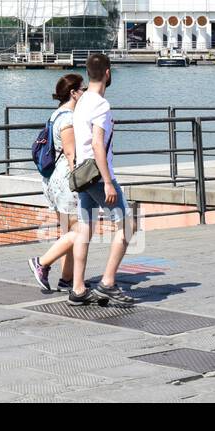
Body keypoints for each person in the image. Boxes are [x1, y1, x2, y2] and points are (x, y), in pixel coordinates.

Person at [68, 53, 135, 306]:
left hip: (82, 175)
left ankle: (78, 288)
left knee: (85, 229)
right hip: (97, 175)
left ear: (88, 73)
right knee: (127, 226)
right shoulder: (101, 105)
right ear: (108, 72)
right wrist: (107, 181)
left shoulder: (81, 100)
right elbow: (97, 144)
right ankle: (107, 283)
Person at [28, 73, 84, 293]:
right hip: (66, 183)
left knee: (68, 233)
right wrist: (81, 181)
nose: (86, 92)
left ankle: (67, 279)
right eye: (83, 89)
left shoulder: (55, 115)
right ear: (73, 93)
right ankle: (41, 263)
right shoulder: (68, 118)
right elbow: (71, 154)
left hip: (53, 180)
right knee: (81, 232)